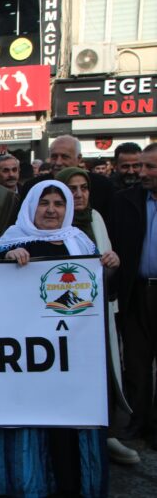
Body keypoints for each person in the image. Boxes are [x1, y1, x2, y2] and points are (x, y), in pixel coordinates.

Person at [0, 179, 114, 497]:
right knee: (36, 413)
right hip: (30, 351)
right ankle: (33, 482)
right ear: (31, 206)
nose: (51, 210)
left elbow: (97, 289)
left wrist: (110, 266)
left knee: (71, 416)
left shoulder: (80, 242)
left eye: (59, 203)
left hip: (74, 351)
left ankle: (76, 482)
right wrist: (6, 259)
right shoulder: (13, 240)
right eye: (44, 203)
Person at [55, 167, 138, 465]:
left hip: (95, 313)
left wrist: (112, 263)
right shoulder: (50, 221)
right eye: (72, 188)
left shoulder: (95, 218)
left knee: (101, 370)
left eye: (84, 187)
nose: (79, 194)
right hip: (59, 318)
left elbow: (104, 268)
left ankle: (106, 433)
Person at [108, 142, 157, 449]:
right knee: (136, 361)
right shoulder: (125, 201)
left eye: (150, 167)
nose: (142, 173)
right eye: (141, 166)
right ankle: (138, 421)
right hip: (136, 292)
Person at [20, 135, 114, 219]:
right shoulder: (33, 187)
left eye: (65, 157)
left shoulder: (102, 185)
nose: (58, 162)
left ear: (79, 158)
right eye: (54, 157)